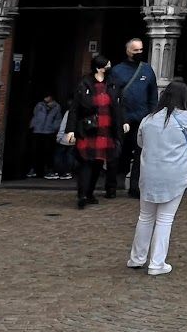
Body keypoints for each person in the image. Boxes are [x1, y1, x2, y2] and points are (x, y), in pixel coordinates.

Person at [128, 80, 187, 277]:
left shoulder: (148, 118)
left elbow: (140, 142)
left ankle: (136, 258)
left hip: (149, 174)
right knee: (164, 219)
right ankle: (156, 263)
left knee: (145, 217)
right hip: (174, 175)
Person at [63, 54, 125, 209]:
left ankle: (89, 193)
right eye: (107, 65)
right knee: (85, 162)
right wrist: (70, 130)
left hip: (106, 130)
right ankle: (82, 194)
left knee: (97, 163)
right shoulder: (85, 84)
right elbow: (75, 109)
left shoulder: (112, 84)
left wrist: (123, 122)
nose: (110, 68)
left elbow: (119, 106)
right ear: (99, 68)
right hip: (88, 130)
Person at [109, 38, 159, 198]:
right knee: (116, 151)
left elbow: (153, 95)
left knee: (140, 154)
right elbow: (112, 96)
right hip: (122, 118)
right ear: (128, 51)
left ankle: (135, 187)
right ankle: (111, 186)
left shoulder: (147, 70)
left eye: (140, 50)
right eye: (135, 50)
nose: (139, 53)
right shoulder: (117, 71)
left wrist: (152, 115)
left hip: (142, 118)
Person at [28, 93, 62, 180]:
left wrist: (53, 128)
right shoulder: (40, 105)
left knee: (48, 151)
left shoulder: (56, 107)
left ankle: (48, 170)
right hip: (38, 130)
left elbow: (58, 119)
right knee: (35, 151)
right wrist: (34, 125)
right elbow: (35, 114)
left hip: (49, 132)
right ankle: (35, 170)